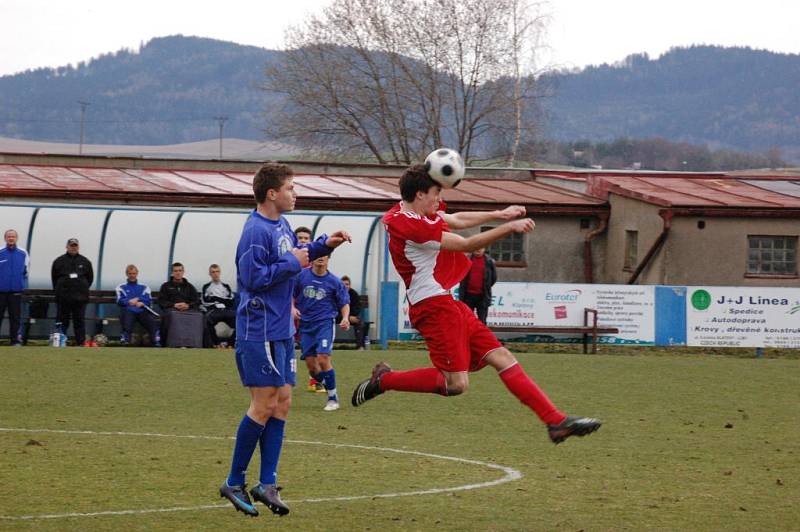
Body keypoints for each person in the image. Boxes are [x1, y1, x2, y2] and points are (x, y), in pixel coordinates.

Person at [351, 164, 601, 445]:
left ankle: (555, 421)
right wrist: (509, 227)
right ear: (420, 194)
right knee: (455, 383)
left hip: (448, 303)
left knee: (502, 357)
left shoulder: (413, 211)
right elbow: (464, 245)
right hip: (432, 308)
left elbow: (455, 219)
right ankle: (385, 380)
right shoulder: (408, 224)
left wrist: (497, 214)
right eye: (436, 193)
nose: (438, 199)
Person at [219, 162, 351, 517]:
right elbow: (251, 279)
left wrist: (325, 245)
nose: (296, 193)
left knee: (284, 403)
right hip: (258, 328)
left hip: (280, 329)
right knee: (262, 405)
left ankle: (266, 483)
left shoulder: (283, 225)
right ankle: (233, 481)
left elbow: (297, 260)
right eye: (291, 187)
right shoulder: (255, 230)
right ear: (272, 193)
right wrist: (293, 261)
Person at [293, 255, 350, 411]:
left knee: (323, 357)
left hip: (324, 323)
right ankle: (328, 384)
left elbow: (344, 302)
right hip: (305, 325)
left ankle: (333, 398)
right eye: (318, 255)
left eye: (324, 255)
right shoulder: (301, 276)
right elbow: (291, 295)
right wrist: (292, 308)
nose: (321, 258)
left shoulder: (334, 281)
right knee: (312, 367)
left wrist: (345, 317)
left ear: (329, 258)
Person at [292, 226, 325, 393]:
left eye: (306, 238)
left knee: (313, 347)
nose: (303, 240)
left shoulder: (315, 261)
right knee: (289, 341)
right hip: (290, 308)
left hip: (309, 311)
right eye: (300, 237)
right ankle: (284, 375)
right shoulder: (290, 258)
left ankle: (316, 380)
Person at [51, 238, 94, 346]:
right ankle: (60, 342)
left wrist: (81, 289)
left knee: (79, 321)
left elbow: (90, 279)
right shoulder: (58, 261)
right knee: (62, 321)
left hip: (80, 299)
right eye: (71, 245)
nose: (73, 247)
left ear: (78, 247)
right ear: (67, 247)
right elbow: (54, 279)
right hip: (63, 298)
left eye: (75, 245)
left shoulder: (85, 262)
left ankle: (80, 342)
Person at [116, 264, 160, 347]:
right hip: (128, 311)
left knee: (152, 323)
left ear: (137, 273)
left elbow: (148, 300)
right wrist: (129, 301)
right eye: (130, 273)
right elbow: (119, 301)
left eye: (134, 273)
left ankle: (156, 341)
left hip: (142, 311)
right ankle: (125, 340)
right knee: (127, 318)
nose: (132, 275)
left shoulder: (144, 287)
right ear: (126, 274)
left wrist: (141, 301)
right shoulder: (121, 287)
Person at [157, 262, 200, 346]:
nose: (178, 272)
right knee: (168, 316)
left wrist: (188, 305)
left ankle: (196, 344)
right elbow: (161, 301)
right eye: (175, 271)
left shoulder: (190, 287)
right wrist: (174, 305)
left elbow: (196, 301)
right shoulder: (166, 286)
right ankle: (167, 344)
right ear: (172, 273)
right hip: (172, 310)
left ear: (183, 272)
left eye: (180, 270)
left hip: (188, 310)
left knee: (201, 316)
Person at [0, 229, 29, 346]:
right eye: (8, 236)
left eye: (13, 236)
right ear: (5, 238)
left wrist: (20, 284)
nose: (11, 238)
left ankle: (15, 341)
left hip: (16, 292)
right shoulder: (0, 252)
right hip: (1, 292)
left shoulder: (23, 253)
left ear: (16, 238)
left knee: (15, 318)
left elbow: (26, 271)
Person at [201, 264, 236, 348]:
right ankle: (216, 344)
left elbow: (231, 301)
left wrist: (215, 298)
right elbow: (205, 301)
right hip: (214, 310)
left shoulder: (226, 286)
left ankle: (230, 344)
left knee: (240, 321)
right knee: (206, 320)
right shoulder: (206, 287)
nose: (215, 274)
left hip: (226, 310)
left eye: (217, 271)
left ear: (220, 272)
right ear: (210, 274)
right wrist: (221, 300)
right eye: (213, 272)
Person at [458, 247, 497, 324]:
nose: (478, 249)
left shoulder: (489, 261)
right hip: (467, 296)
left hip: (483, 296)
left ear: (484, 249)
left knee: (482, 321)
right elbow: (461, 275)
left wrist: (486, 286)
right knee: (467, 320)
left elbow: (493, 278)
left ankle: (481, 336)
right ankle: (468, 336)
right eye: (476, 247)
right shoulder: (467, 259)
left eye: (481, 247)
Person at [340, 275, 366, 350]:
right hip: (338, 317)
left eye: (347, 284)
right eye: (343, 284)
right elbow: (334, 310)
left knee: (359, 322)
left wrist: (350, 317)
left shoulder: (354, 294)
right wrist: (347, 317)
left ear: (350, 285)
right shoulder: (336, 294)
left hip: (351, 317)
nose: (345, 286)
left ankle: (360, 346)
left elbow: (357, 308)